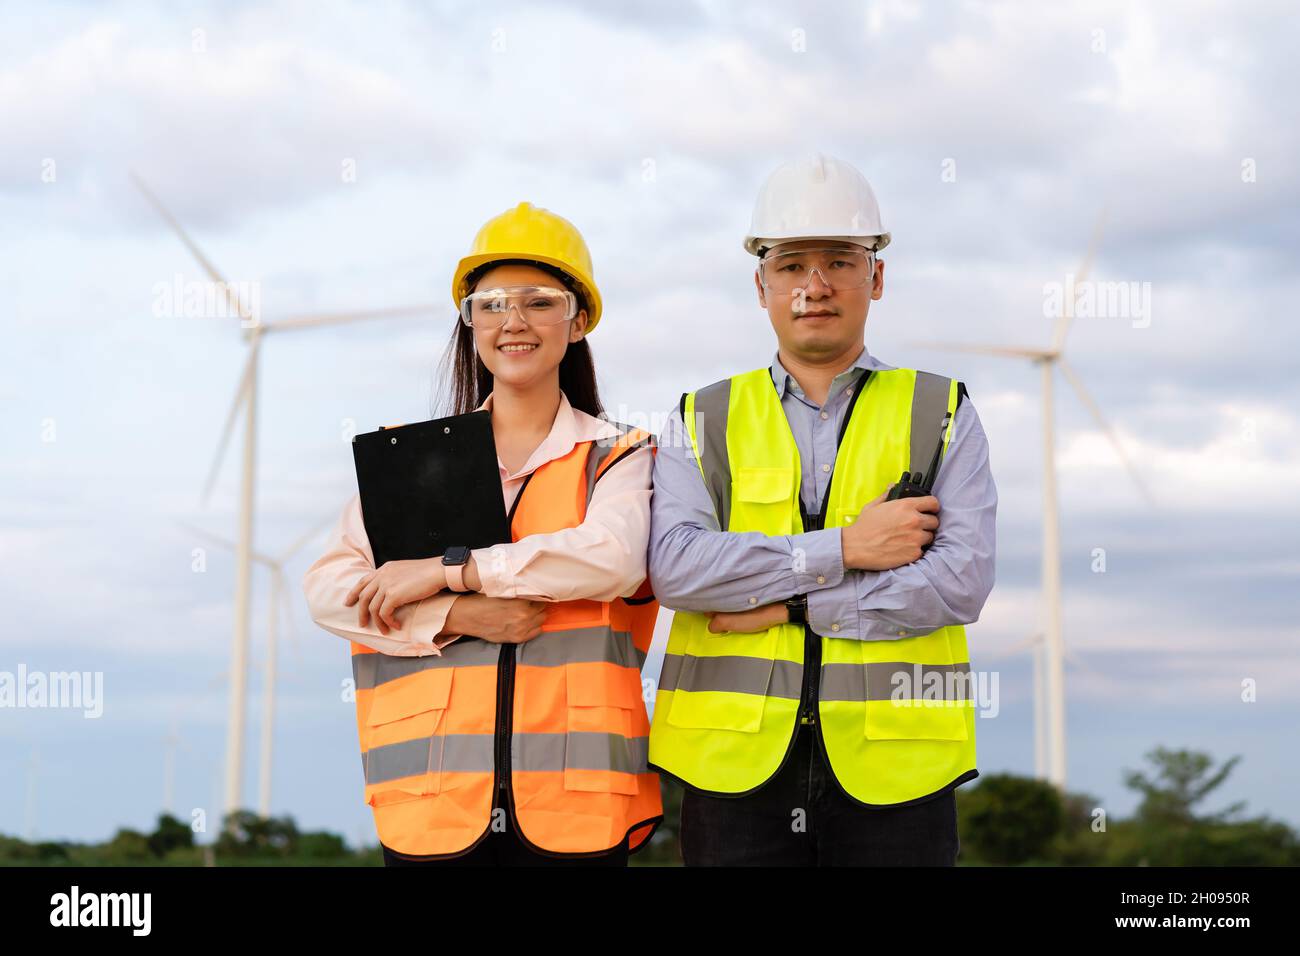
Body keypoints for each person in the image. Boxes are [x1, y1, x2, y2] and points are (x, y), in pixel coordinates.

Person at [646, 153, 998, 866]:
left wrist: (794, 609)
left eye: (840, 261)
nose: (815, 285)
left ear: (876, 276)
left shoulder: (941, 410)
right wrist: (845, 548)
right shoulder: (702, 415)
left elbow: (959, 582)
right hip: (730, 768)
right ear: (761, 284)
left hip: (898, 771)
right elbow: (679, 571)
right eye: (791, 265)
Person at [302, 202, 663, 866]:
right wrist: (457, 613)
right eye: (491, 304)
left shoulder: (619, 456)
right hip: (433, 801)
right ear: (470, 324)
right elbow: (328, 590)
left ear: (578, 321)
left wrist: (447, 570)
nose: (513, 322)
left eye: (539, 302)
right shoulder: (409, 463)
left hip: (578, 805)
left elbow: (610, 559)